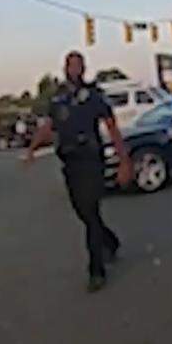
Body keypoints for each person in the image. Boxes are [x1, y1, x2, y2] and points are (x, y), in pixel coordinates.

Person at [25, 51, 133, 292]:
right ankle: (110, 241)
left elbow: (112, 128)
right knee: (83, 212)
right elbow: (48, 126)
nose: (72, 69)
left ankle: (96, 271)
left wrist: (124, 160)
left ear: (83, 69)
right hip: (70, 163)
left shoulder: (94, 96)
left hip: (91, 161)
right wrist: (32, 150)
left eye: (77, 65)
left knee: (90, 210)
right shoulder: (58, 98)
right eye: (69, 65)